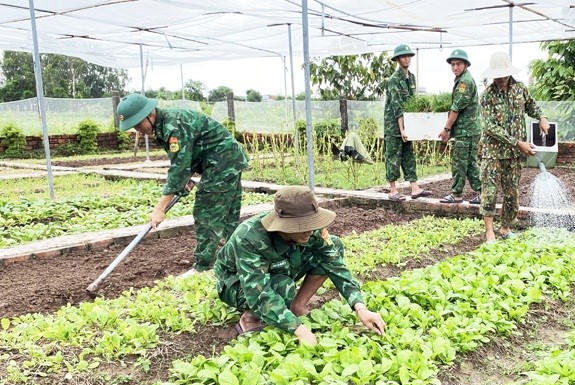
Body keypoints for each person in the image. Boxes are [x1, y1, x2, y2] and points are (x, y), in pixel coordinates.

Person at [214, 186, 386, 346]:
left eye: (311, 223)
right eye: (302, 225)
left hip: (282, 266)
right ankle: (251, 318)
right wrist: (299, 329)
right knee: (282, 285)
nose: (309, 231)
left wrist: (360, 308)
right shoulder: (249, 237)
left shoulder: (311, 230)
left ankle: (297, 305)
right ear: (283, 224)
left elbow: (335, 265)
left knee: (335, 245)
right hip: (236, 283)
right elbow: (258, 292)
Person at [116, 93, 248, 277]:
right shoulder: (164, 126)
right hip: (224, 160)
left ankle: (204, 267)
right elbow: (186, 158)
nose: (138, 129)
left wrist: (160, 209)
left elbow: (178, 169)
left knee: (207, 212)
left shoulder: (173, 126)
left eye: (138, 124)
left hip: (222, 162)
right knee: (227, 214)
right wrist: (186, 177)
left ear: (150, 114)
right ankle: (235, 259)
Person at [479, 52, 550, 242]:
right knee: (490, 191)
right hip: (492, 152)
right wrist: (518, 143)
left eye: (504, 74)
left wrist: (542, 117)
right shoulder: (487, 96)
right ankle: (489, 231)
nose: (501, 78)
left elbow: (531, 106)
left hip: (514, 154)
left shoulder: (520, 89)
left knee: (512, 192)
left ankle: (505, 227)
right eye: (497, 75)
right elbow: (490, 127)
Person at [383, 44, 431, 201]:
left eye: (408, 56)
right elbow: (397, 106)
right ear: (397, 59)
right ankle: (392, 189)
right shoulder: (393, 80)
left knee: (408, 155)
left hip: (407, 124)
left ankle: (415, 187)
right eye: (403, 56)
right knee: (393, 156)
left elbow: (411, 103)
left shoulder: (411, 77)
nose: (407, 59)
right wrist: (401, 129)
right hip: (394, 125)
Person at [438, 49, 482, 205]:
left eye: (458, 64)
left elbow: (456, 108)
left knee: (459, 162)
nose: (455, 67)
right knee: (470, 162)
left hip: (467, 130)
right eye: (453, 64)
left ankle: (456, 194)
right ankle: (483, 193)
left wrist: (447, 129)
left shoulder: (464, 82)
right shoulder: (462, 79)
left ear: (465, 65)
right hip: (469, 130)